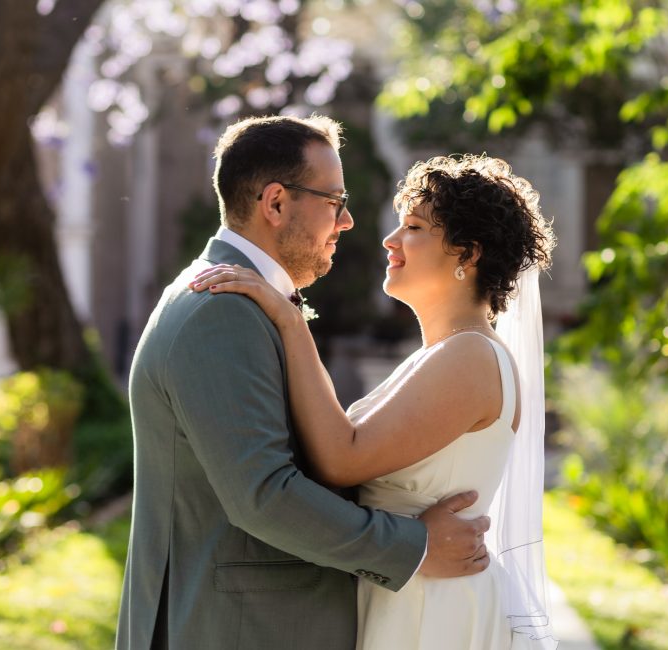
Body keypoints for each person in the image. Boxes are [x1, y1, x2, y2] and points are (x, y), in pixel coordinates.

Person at [115, 115, 493, 650]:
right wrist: (415, 546)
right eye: (335, 202)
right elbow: (265, 496)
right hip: (239, 631)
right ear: (275, 203)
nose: (348, 222)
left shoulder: (239, 302)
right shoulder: (219, 312)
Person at [190, 153, 558, 649]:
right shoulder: (444, 354)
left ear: (467, 254)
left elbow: (343, 457)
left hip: (433, 612)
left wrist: (289, 322)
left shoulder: (471, 356)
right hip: (404, 593)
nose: (390, 240)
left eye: (413, 227)